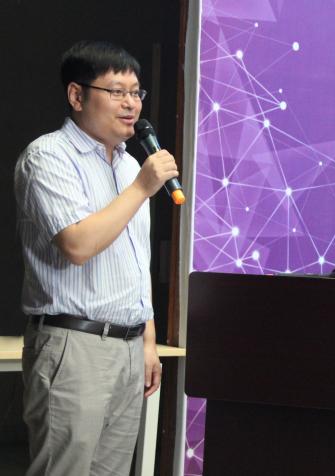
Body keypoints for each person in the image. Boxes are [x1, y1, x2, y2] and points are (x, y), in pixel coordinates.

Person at [14, 40, 178, 476]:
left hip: (129, 348)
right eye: (117, 92)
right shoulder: (48, 156)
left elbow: (136, 263)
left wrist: (148, 341)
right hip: (75, 345)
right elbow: (78, 245)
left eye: (136, 93)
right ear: (77, 95)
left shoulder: (130, 167)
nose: (131, 104)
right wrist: (142, 189)